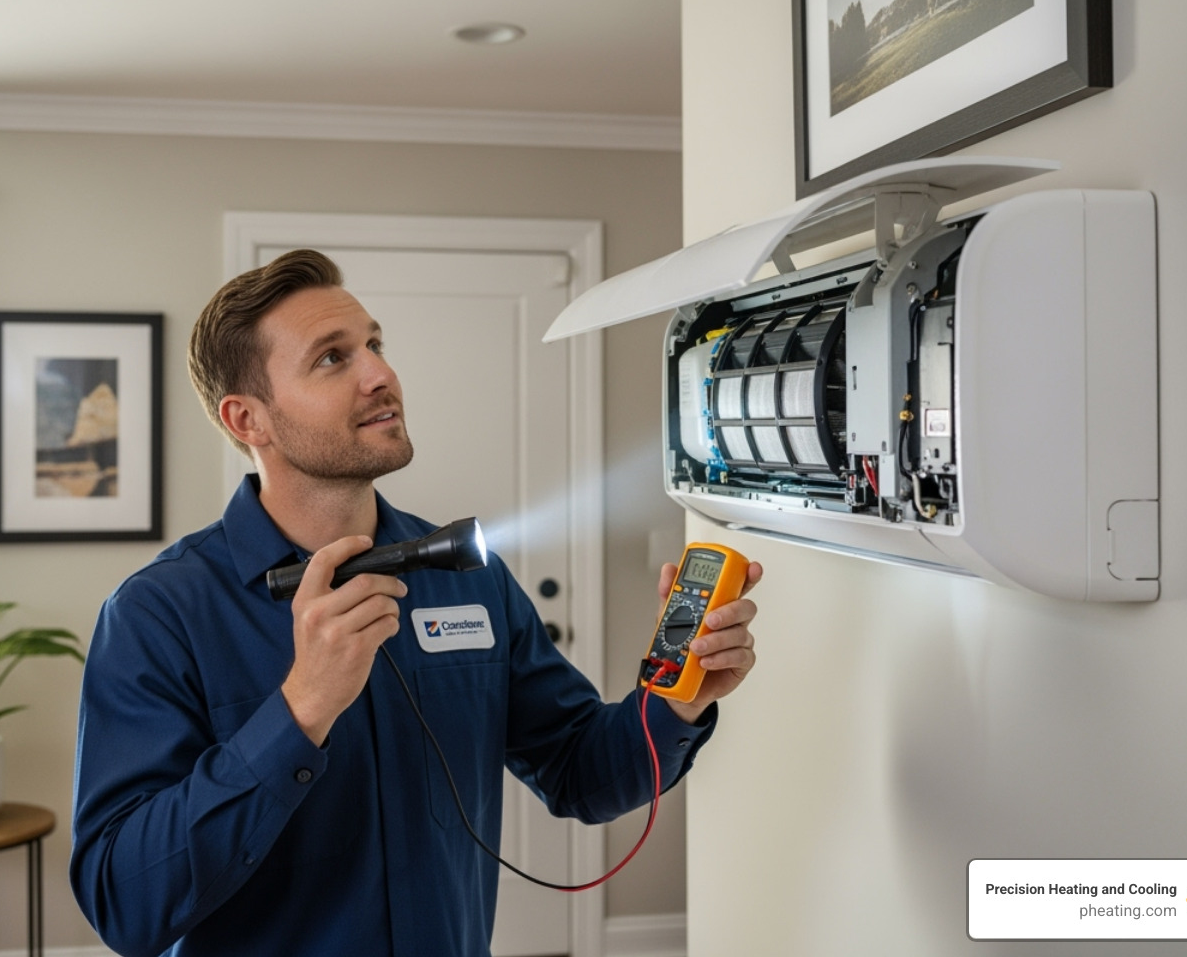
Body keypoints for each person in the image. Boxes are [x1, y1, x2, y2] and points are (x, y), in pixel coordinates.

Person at [70, 249, 760, 957]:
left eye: (374, 344)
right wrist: (301, 709)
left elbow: (582, 774)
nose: (380, 374)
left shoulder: (468, 576)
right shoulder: (158, 615)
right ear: (250, 420)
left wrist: (676, 698)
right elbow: (124, 904)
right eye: (332, 359)